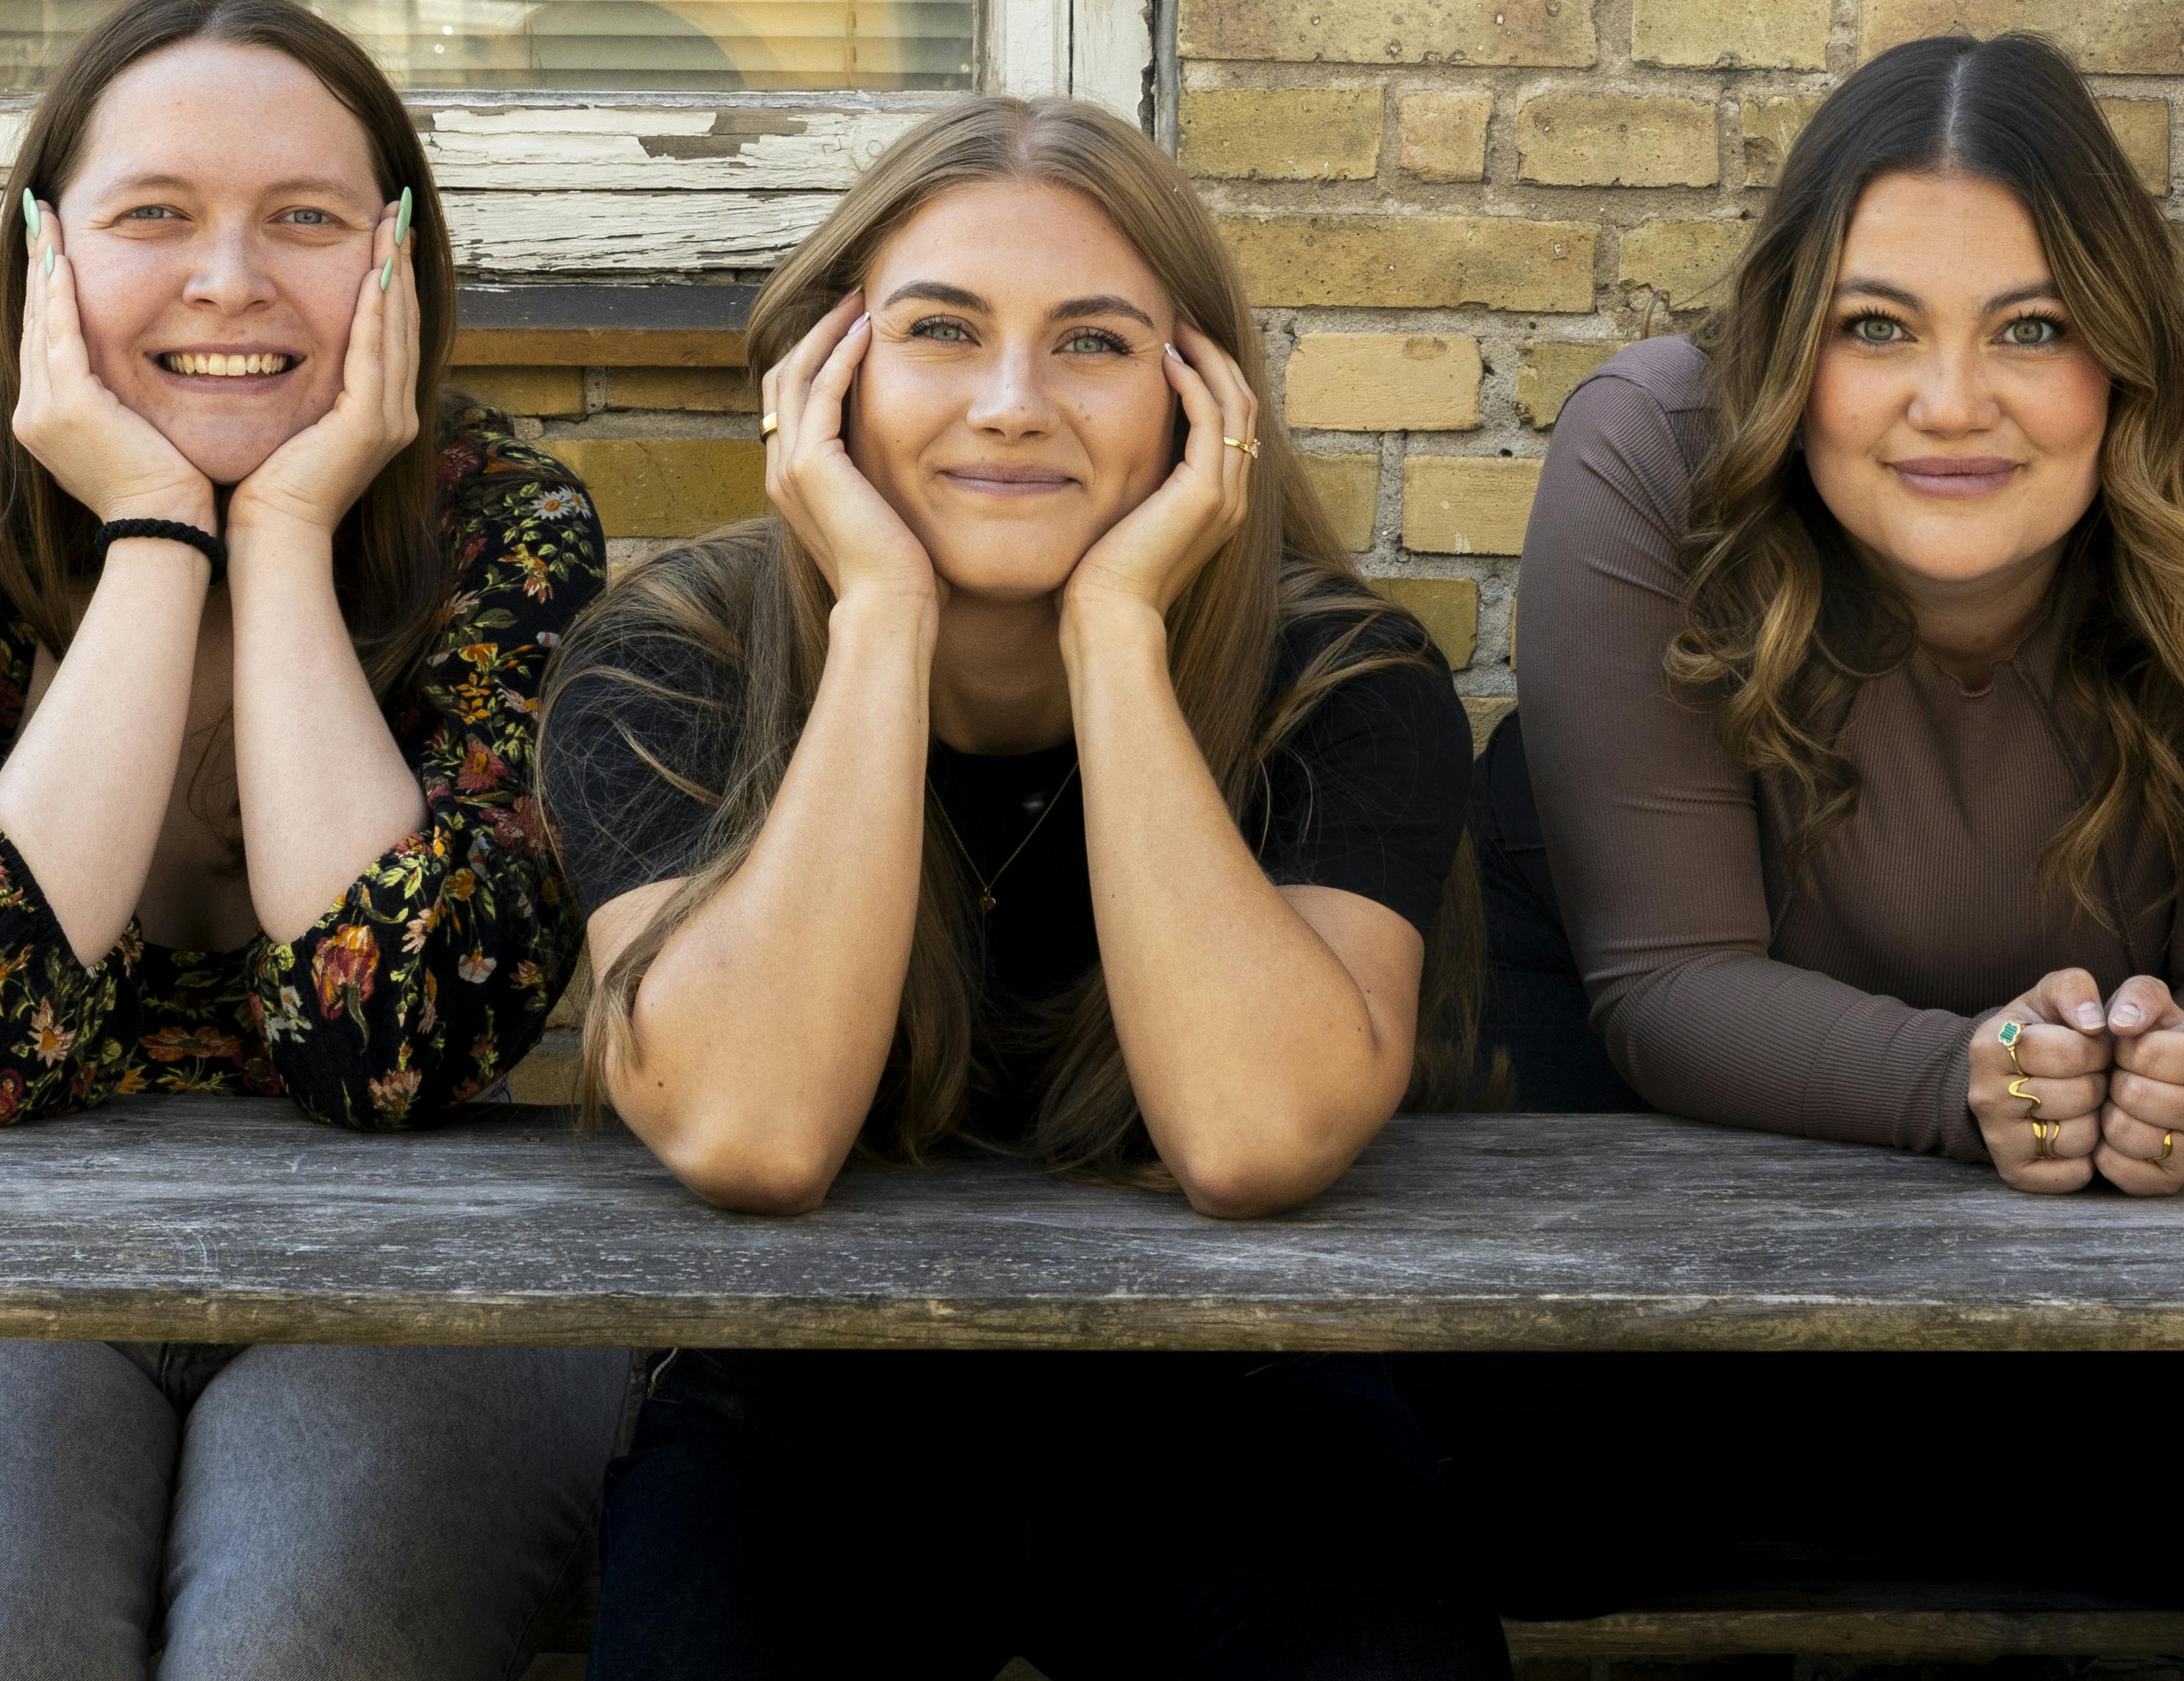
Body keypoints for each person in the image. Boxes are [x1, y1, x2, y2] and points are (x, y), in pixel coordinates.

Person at [0, 0, 629, 1681]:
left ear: (397, 258)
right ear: (44, 255)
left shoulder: (500, 530)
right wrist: (157, 524)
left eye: (305, 217)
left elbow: (399, 1046)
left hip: (416, 1294)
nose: (231, 279)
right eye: (156, 215)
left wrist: (283, 528)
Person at [543, 93, 1499, 1681]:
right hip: (802, 1399)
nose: (1010, 402)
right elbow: (753, 1132)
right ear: (825, 374)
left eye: (1095, 343)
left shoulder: (1340, 679)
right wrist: (880, 616)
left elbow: (1258, 1139)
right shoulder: (673, 665)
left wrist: (1121, 630)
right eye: (941, 330)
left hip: (1242, 1396)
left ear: (1205, 395)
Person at [1469, 29, 2184, 1627]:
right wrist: (1960, 1078)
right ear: (1791, 346)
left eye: (2030, 328)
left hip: (2119, 1243)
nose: (1951, 403)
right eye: (1875, 327)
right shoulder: (1654, 451)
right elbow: (1668, 977)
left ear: (2118, 350)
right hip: (1694, 1188)